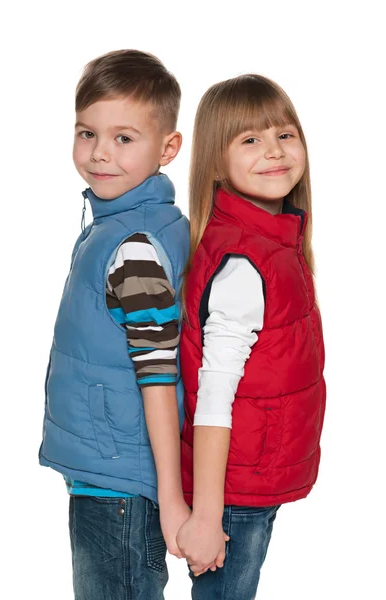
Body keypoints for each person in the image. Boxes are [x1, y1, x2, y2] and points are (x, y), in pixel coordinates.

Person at [38, 49, 190, 600]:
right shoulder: (131, 223)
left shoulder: (134, 246)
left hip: (121, 484)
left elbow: (157, 375)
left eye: (124, 138)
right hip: (112, 474)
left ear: (168, 148)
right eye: (87, 133)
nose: (100, 153)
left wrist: (171, 498)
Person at [177, 74, 326, 600]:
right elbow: (214, 396)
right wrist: (207, 516)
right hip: (235, 487)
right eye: (249, 140)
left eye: (284, 134)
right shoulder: (244, 261)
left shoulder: (273, 242)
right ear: (216, 164)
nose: (274, 152)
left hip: (248, 476)